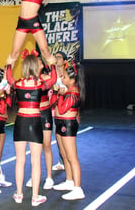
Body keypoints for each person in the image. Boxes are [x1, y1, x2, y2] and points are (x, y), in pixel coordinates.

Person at [6, 49, 56, 206]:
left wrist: (8, 64)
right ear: (35, 66)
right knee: (35, 161)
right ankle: (35, 197)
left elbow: (9, 78)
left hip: (20, 121)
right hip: (35, 121)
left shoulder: (19, 83)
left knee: (19, 160)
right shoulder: (40, 84)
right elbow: (54, 78)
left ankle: (19, 194)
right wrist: (52, 64)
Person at [4, 0, 63, 66]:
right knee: (14, 53)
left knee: (45, 52)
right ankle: (4, 80)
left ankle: (58, 78)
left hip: (34, 22)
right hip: (22, 23)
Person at [51, 61, 85, 200]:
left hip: (68, 124)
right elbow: (53, 103)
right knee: (64, 155)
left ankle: (78, 188)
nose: (62, 79)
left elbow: (64, 108)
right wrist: (57, 92)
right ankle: (69, 181)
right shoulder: (67, 90)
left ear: (72, 80)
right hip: (60, 122)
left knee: (72, 157)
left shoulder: (73, 92)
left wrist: (60, 93)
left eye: (64, 77)